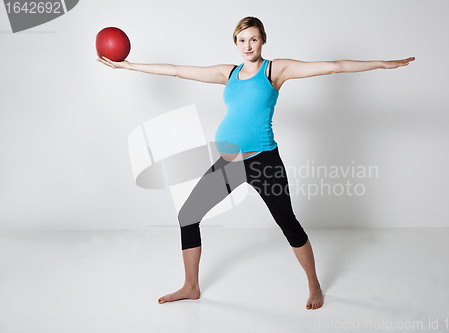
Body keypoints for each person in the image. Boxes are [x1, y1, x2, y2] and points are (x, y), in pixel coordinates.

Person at [98, 16, 415, 310]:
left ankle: (314, 285)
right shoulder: (229, 73)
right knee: (188, 215)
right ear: (235, 43)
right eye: (241, 40)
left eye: (253, 39)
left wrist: (381, 64)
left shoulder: (275, 70)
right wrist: (129, 66)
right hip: (228, 162)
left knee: (288, 224)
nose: (247, 45)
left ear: (263, 41)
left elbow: (333, 66)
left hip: (264, 162)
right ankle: (191, 286)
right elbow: (179, 70)